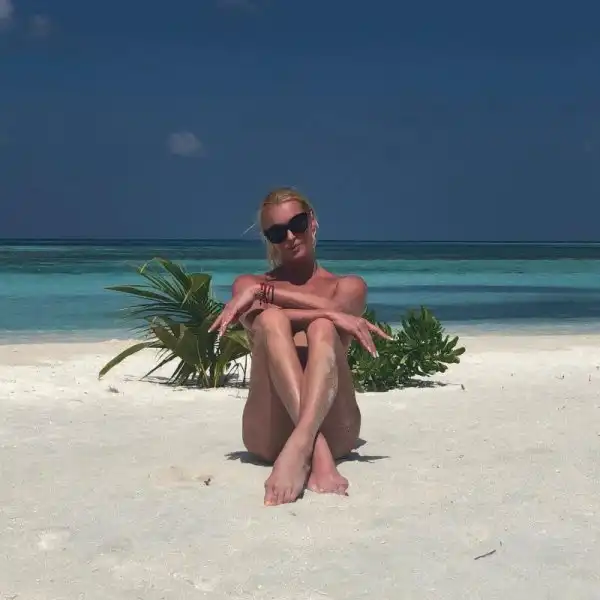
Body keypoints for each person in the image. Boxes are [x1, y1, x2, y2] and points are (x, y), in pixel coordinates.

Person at [209, 187, 390, 506]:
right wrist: (265, 295)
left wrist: (268, 295)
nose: (290, 237)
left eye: (298, 224)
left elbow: (335, 312)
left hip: (337, 430)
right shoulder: (246, 286)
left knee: (322, 327)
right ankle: (314, 451)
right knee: (272, 321)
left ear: (313, 221)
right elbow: (268, 317)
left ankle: (304, 444)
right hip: (268, 433)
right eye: (278, 233)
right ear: (269, 240)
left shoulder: (348, 286)